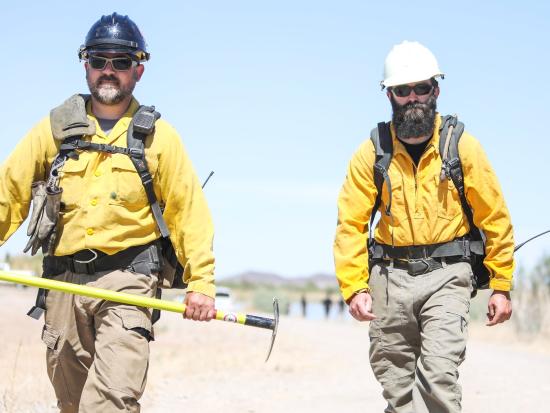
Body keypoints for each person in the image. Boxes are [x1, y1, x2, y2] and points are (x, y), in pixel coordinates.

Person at [0, 12, 216, 412]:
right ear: (86, 65)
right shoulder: (53, 129)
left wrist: (201, 283)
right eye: (99, 61)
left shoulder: (159, 138)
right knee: (72, 403)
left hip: (129, 281)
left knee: (111, 400)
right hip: (64, 282)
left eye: (120, 62)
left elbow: (190, 213)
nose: (108, 71)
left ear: (139, 69)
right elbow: (8, 194)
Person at [333, 40, 514, 412]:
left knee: (437, 378)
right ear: (390, 96)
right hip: (389, 279)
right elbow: (350, 223)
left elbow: (494, 217)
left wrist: (501, 285)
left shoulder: (461, 146)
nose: (412, 97)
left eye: (421, 87)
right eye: (402, 90)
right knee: (396, 386)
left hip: (449, 277)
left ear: (436, 90)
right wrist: (353, 287)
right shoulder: (372, 151)